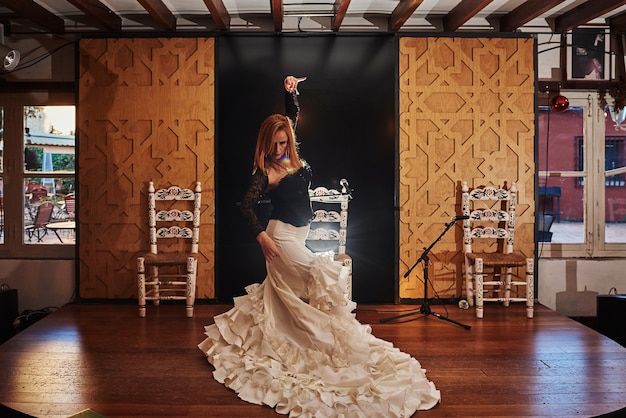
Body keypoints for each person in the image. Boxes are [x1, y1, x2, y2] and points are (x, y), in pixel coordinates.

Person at [199, 76, 440, 417]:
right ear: (266, 144)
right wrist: (262, 237)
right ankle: (325, 348)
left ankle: (306, 344)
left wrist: (290, 92)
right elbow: (244, 205)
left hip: (298, 236)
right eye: (275, 144)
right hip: (281, 239)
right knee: (319, 279)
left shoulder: (291, 153)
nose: (280, 149)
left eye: (284, 142)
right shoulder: (265, 172)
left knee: (298, 300)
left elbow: (291, 114)